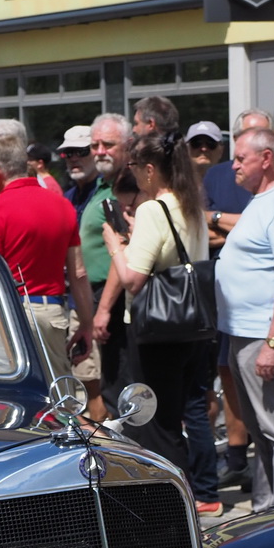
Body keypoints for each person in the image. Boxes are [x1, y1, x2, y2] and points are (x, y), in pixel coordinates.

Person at [103, 132, 212, 501]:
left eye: (134, 166)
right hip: (190, 327)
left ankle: (170, 501)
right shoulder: (191, 203)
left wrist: (115, 246)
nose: (132, 174)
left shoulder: (153, 209)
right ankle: (187, 494)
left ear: (150, 169)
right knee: (177, 417)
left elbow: (133, 280)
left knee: (156, 424)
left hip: (157, 332)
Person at [215, 127, 274, 511]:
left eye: (241, 158)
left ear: (266, 158)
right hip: (243, 332)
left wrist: (272, 343)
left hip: (260, 335)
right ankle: (265, 511)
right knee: (260, 428)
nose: (233, 166)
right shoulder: (262, 199)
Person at [0, 133, 96, 396]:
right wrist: (87, 325)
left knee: (9, 396)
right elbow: (78, 273)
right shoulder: (63, 205)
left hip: (11, 314)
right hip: (51, 313)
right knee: (60, 397)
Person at [203, 110, 274, 493]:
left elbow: (259, 230)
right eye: (246, 134)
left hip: (261, 299)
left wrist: (219, 219)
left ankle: (267, 467)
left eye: (261, 133)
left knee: (261, 382)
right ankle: (236, 457)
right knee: (226, 370)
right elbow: (202, 227)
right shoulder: (217, 175)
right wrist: (226, 222)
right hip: (221, 291)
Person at [82, 113, 134, 403]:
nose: (100, 152)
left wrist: (103, 309)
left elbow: (123, 250)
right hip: (98, 295)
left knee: (118, 384)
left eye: (108, 145)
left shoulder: (126, 189)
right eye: (95, 145)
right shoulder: (104, 185)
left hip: (114, 297)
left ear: (127, 145)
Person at [56, 126, 98, 218]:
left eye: (82, 152)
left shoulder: (109, 192)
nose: (74, 159)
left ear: (96, 152)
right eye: (69, 153)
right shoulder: (67, 197)